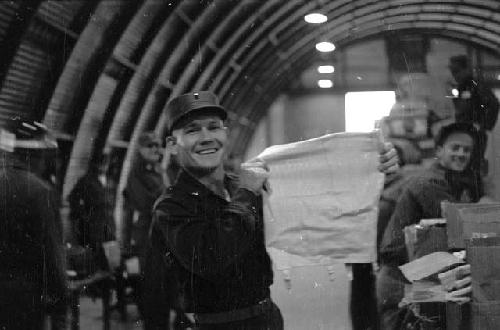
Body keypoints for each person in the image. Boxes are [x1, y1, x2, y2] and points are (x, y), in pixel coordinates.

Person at [142, 91, 399, 330]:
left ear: (226, 134)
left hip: (266, 319)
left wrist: (372, 171)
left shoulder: (243, 183)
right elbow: (212, 257)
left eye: (213, 127)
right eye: (192, 130)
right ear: (173, 144)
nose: (206, 137)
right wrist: (246, 194)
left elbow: (319, 200)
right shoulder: (172, 206)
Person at [377, 122, 482, 330]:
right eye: (455, 148)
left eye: (467, 150)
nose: (461, 154)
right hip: (399, 282)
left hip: (409, 276)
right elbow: (458, 227)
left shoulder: (449, 181)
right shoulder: (430, 183)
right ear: (439, 151)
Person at [0, 117, 67, 329]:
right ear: (39, 155)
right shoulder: (40, 192)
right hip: (25, 298)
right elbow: (52, 256)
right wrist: (60, 305)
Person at [122, 131, 164, 315]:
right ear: (140, 149)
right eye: (150, 146)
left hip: (161, 234)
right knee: (151, 284)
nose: (155, 148)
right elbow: (146, 204)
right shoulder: (136, 174)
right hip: (147, 236)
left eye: (157, 145)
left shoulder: (158, 170)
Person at [448, 55, 499, 173]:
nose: (454, 75)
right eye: (452, 71)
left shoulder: (475, 85)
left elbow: (493, 104)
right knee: (465, 166)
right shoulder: (460, 87)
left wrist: (483, 125)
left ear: (466, 69)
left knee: (472, 166)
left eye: (456, 71)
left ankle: (477, 187)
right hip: (464, 134)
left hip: (474, 135)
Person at [68, 156, 116, 275]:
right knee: (98, 257)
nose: (104, 167)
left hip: (108, 225)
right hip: (95, 226)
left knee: (112, 259)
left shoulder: (108, 180)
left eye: (105, 164)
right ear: (95, 165)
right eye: (101, 164)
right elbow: (72, 198)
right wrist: (84, 215)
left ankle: (108, 280)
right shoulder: (86, 180)